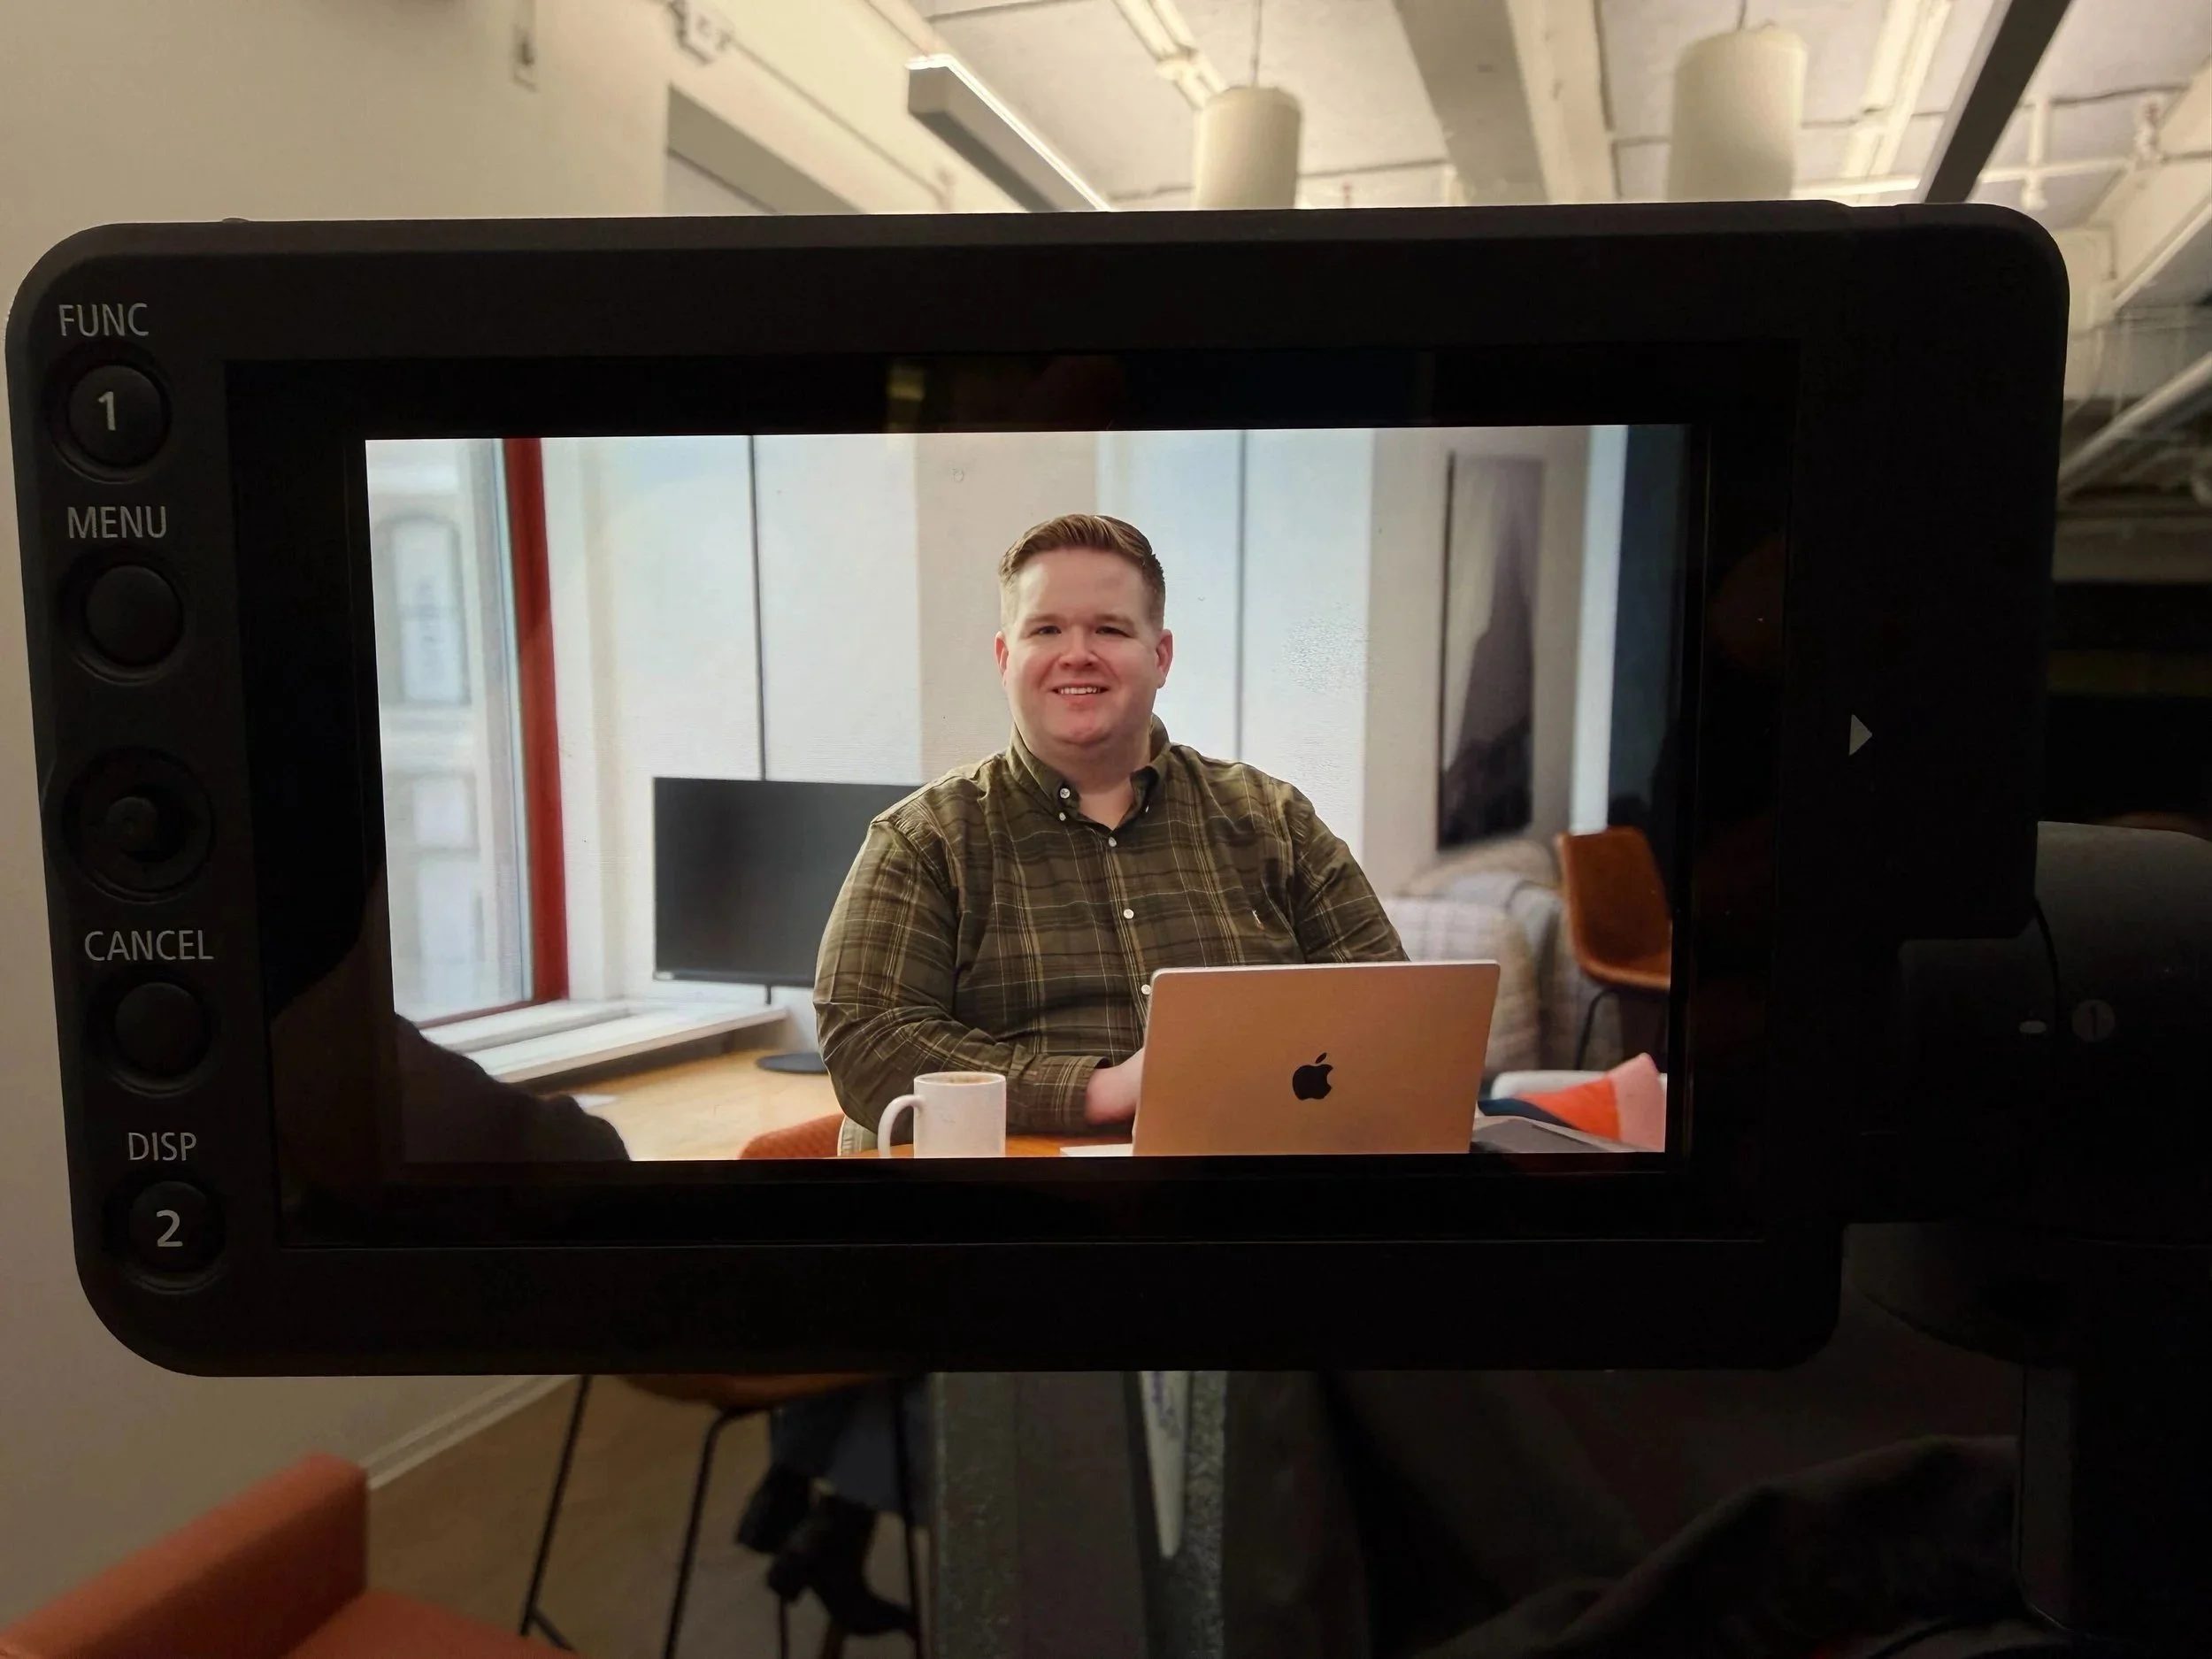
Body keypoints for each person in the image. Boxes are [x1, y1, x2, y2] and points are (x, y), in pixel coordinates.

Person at [815, 511, 1407, 1139]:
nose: (1078, 655)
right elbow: (868, 1041)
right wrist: (1102, 1089)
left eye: (1109, 629)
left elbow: (1395, 1013)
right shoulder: (925, 839)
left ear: (1160, 656)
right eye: (1046, 629)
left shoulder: (1273, 820)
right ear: (1004, 656)